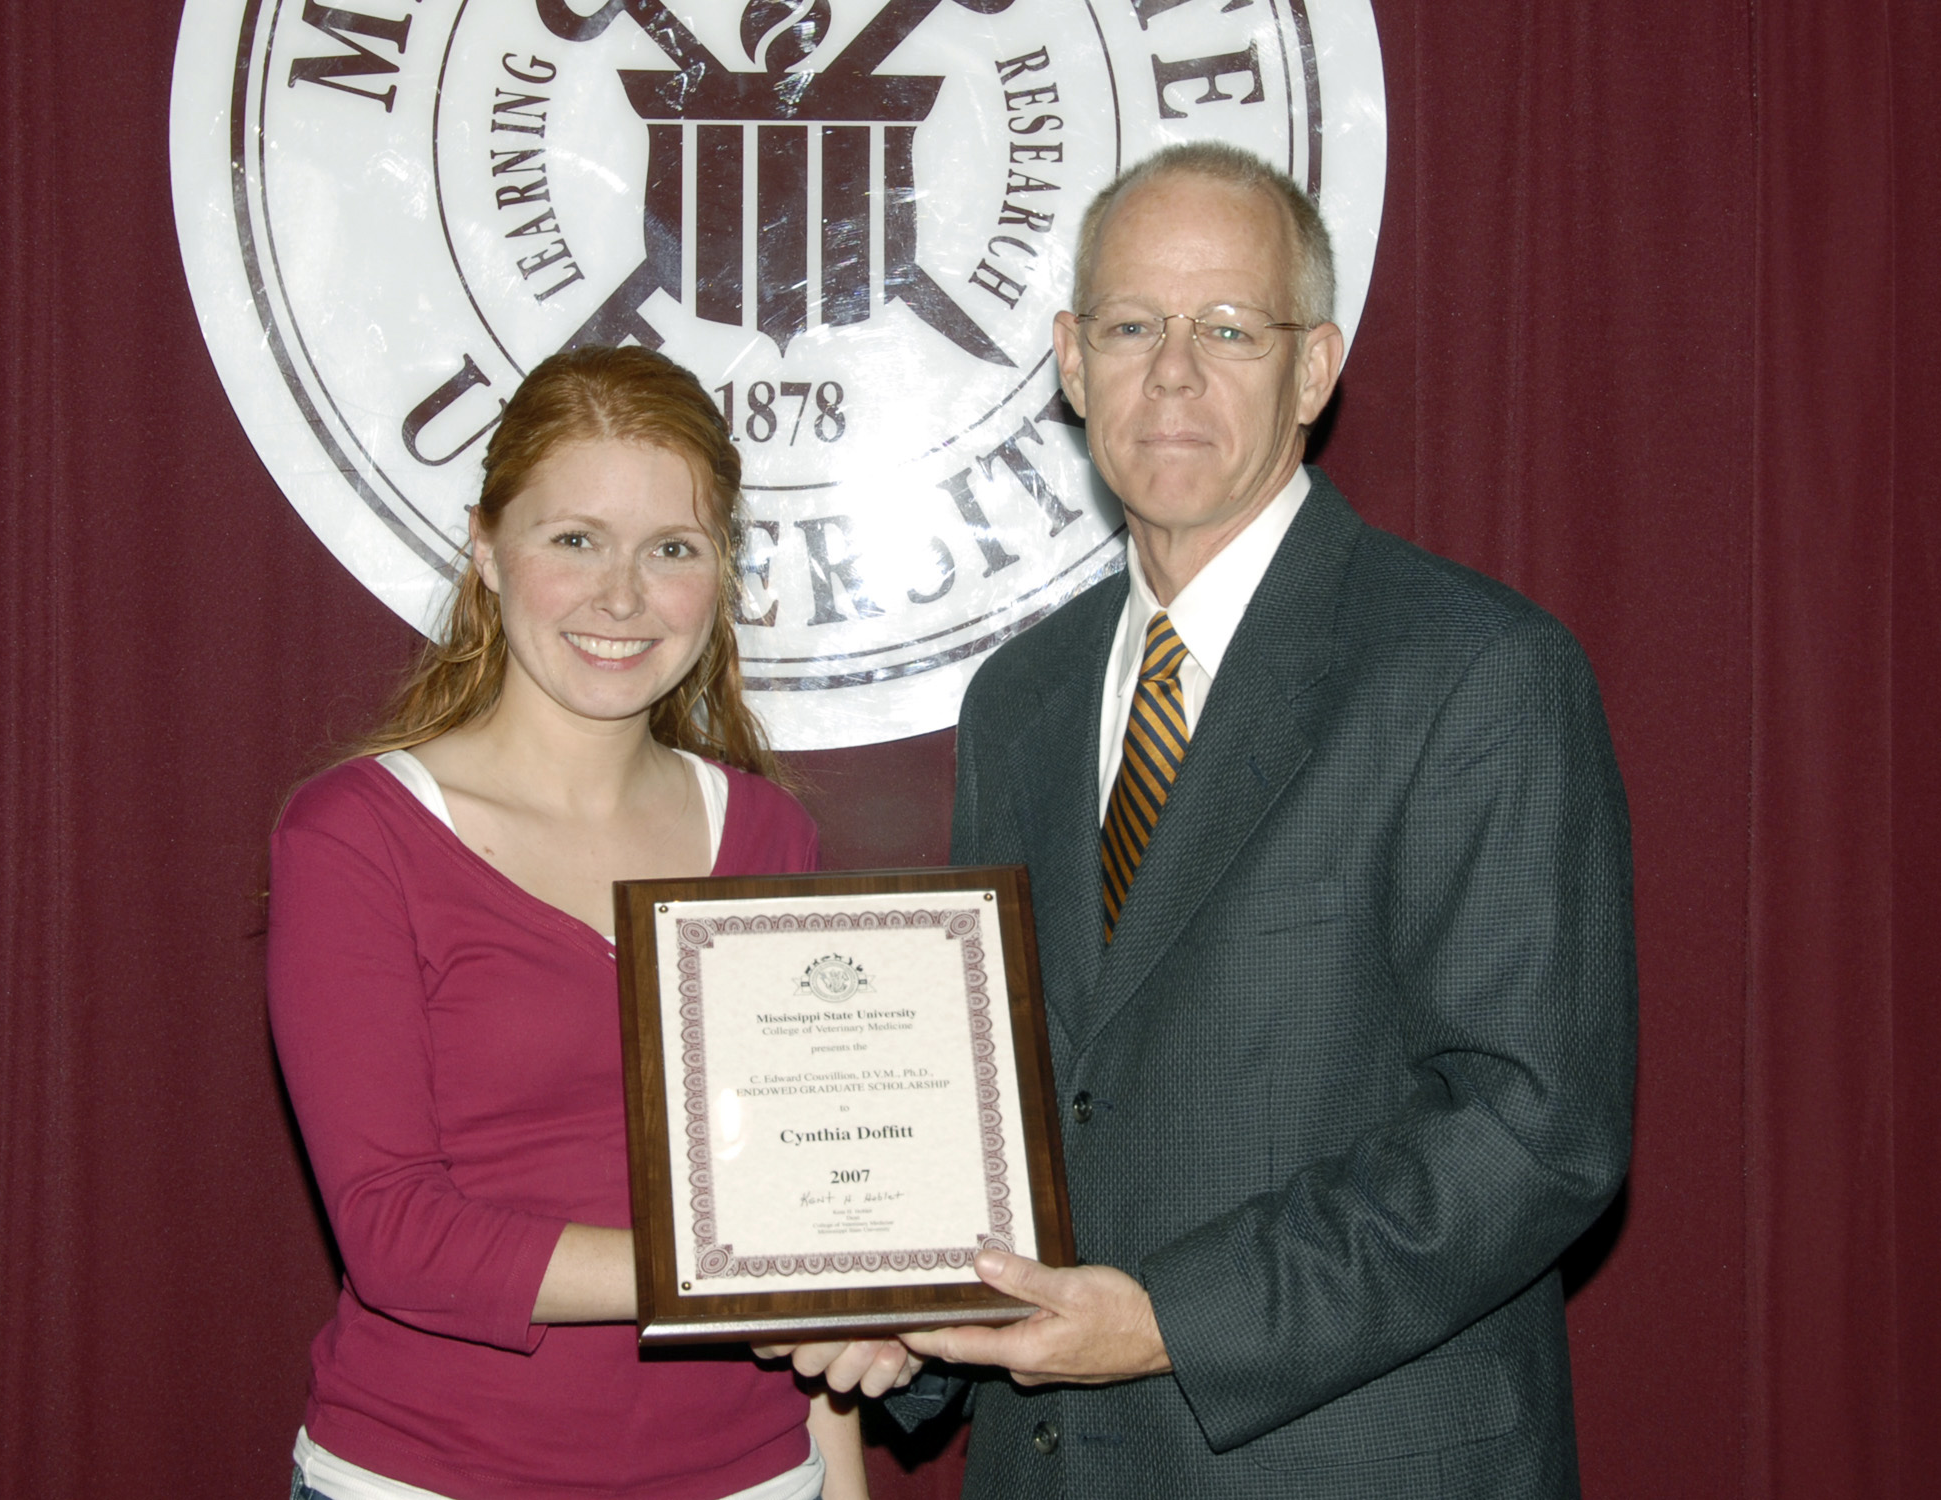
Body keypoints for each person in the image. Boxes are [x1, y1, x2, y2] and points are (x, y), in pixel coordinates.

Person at [783, 143, 1637, 1496]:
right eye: (1131, 326)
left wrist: (1166, 1321)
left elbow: (1534, 1132)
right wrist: (916, 1299)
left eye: (1228, 328)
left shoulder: (1475, 672)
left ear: (1313, 368)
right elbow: (1019, 1094)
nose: (1171, 372)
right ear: (1071, 360)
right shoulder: (1025, 697)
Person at [267, 346, 867, 1500]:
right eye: (575, 539)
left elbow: (801, 1197)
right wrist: (743, 1271)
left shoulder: (766, 836)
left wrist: (839, 1475)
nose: (623, 597)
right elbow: (397, 1238)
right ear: (488, 551)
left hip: (756, 1477)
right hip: (431, 1477)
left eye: (672, 550)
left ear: (722, 573)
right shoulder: (353, 836)